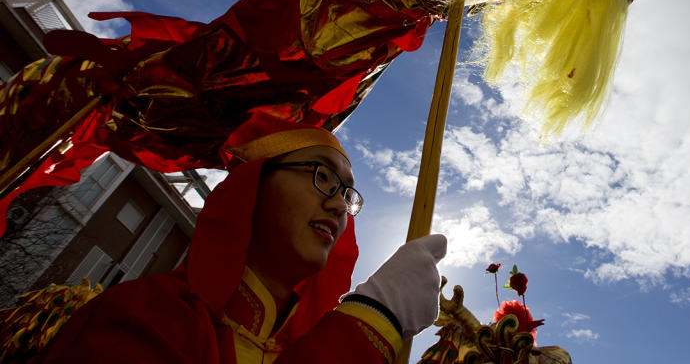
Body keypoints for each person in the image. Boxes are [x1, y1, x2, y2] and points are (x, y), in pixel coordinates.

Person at [39, 117, 447, 364]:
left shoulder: (305, 342)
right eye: (322, 176)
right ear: (253, 186)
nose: (339, 205)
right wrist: (372, 322)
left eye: (346, 192)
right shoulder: (143, 314)